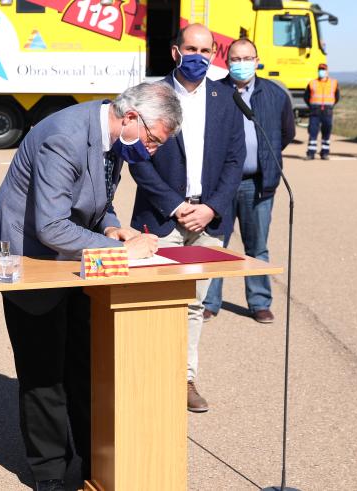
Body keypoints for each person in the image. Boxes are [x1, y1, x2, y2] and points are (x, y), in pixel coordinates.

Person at [0, 82, 177, 490]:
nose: (153, 151)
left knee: (87, 364)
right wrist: (124, 252)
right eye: (154, 140)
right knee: (43, 373)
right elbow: (51, 225)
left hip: (76, 260)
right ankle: (50, 473)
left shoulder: (116, 139)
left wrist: (113, 228)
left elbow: (96, 200)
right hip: (28, 258)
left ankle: (94, 462)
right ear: (130, 118)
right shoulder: (65, 138)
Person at [128, 24, 246, 413]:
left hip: (207, 220)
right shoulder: (151, 94)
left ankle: (185, 379)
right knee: (150, 302)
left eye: (206, 50)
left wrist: (211, 206)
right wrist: (176, 205)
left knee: (195, 304)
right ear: (175, 51)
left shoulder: (226, 97)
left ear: (215, 54)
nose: (199, 56)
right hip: (162, 219)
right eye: (191, 48)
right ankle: (145, 377)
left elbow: (234, 160)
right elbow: (137, 158)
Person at [204, 38, 295, 324]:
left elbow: (286, 133)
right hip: (220, 184)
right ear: (226, 60)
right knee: (216, 243)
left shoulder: (275, 94)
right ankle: (209, 301)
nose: (241, 64)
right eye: (235, 58)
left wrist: (266, 159)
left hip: (258, 184)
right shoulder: (214, 93)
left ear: (257, 60)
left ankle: (259, 302)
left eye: (247, 58)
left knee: (257, 246)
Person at [304, 63, 339, 160]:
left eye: (323, 69)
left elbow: (337, 97)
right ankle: (311, 153)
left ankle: (325, 153)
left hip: (327, 111)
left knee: (326, 132)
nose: (322, 71)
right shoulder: (312, 83)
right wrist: (312, 105)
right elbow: (306, 97)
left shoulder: (334, 82)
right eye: (320, 69)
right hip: (315, 111)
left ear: (327, 71)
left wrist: (330, 105)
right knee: (313, 132)